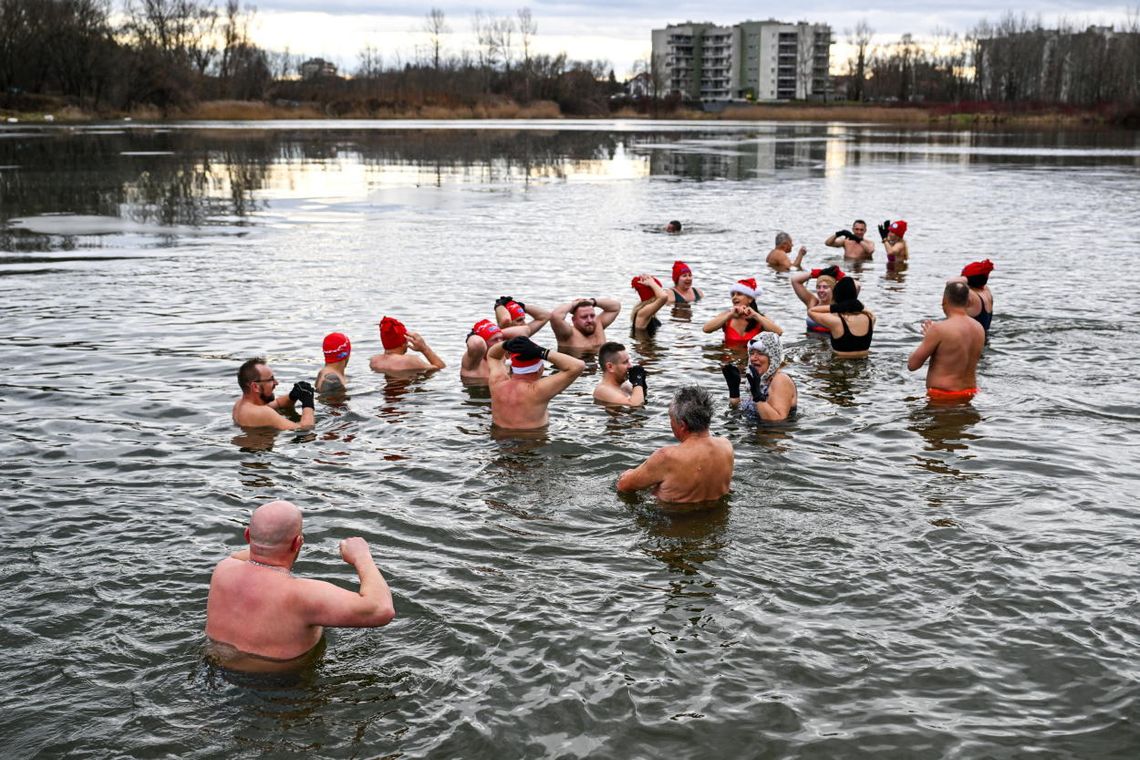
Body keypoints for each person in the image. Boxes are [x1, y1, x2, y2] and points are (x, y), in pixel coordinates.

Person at [205, 500, 395, 672]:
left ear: (247, 535)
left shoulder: (223, 569)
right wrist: (362, 557)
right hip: (279, 688)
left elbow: (256, 554)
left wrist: (270, 541)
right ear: (298, 543)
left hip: (214, 669)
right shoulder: (303, 595)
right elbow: (381, 609)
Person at [616, 386, 734, 503]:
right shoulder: (726, 446)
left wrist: (628, 474)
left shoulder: (666, 457)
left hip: (676, 519)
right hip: (717, 519)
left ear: (682, 425)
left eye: (670, 418)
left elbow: (623, 486)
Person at [907, 280, 986, 401]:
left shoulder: (939, 329)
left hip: (943, 396)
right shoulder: (979, 328)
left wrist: (928, 338)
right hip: (971, 393)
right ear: (968, 302)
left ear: (944, 301)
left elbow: (912, 365)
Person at [487, 336, 586, 429]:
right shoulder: (537, 390)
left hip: (499, 438)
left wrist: (506, 344)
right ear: (539, 369)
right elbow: (578, 366)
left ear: (513, 366)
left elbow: (492, 356)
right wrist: (542, 352)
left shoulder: (497, 383)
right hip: (531, 441)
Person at [721, 333, 797, 421]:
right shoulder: (763, 380)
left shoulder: (780, 380)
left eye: (760, 353)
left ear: (773, 358)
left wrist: (758, 397)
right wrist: (734, 391)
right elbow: (744, 411)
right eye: (751, 353)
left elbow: (778, 421)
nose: (753, 358)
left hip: (770, 433)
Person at [232, 357, 315, 430]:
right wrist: (308, 403)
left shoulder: (240, 405)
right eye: (271, 380)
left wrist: (292, 396)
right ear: (255, 387)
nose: (276, 383)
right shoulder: (262, 413)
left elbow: (277, 403)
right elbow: (305, 428)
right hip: (259, 447)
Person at [808, 276, 876, 358]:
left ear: (837, 296)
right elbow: (858, 287)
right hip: (863, 363)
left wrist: (837, 307)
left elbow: (811, 311)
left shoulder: (836, 321)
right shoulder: (870, 318)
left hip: (839, 363)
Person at [702, 277, 783, 346]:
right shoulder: (727, 316)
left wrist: (755, 316)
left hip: (752, 360)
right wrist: (730, 315)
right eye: (733, 294)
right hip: (729, 360)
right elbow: (706, 329)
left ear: (750, 299)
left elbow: (778, 332)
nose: (734, 297)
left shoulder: (759, 318)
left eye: (739, 294)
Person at [369, 316, 446, 373]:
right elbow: (440, 367)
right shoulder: (410, 361)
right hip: (402, 394)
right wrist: (424, 349)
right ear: (404, 342)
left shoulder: (374, 361)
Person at [550, 297, 622, 351]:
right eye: (584, 317)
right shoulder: (568, 334)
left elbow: (615, 307)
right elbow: (555, 316)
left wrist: (592, 302)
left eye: (592, 316)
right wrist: (573, 304)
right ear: (574, 320)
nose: (589, 320)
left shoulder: (598, 324)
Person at [791, 265, 844, 334]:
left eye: (825, 287)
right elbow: (795, 280)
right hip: (811, 343)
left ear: (833, 289)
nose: (821, 290)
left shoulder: (841, 304)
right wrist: (817, 273)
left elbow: (857, 285)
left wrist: (841, 277)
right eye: (818, 287)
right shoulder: (812, 302)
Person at [593, 341, 648, 406]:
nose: (630, 366)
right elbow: (636, 405)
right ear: (610, 367)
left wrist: (642, 384)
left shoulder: (624, 386)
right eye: (625, 362)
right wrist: (637, 382)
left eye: (629, 361)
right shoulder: (603, 390)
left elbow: (641, 398)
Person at [958, 259, 995, 336]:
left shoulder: (971, 296)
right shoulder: (986, 291)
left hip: (969, 341)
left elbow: (951, 283)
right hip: (984, 339)